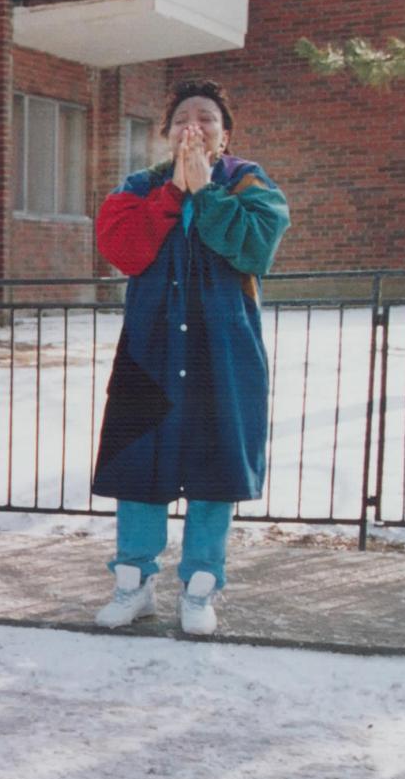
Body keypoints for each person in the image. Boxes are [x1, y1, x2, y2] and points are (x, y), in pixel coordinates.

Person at [92, 78, 290, 636]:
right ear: (166, 134)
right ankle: (133, 583)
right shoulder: (139, 186)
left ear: (224, 135)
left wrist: (207, 195)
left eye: (206, 118)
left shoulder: (251, 185)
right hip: (150, 349)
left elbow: (255, 246)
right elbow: (123, 250)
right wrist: (174, 195)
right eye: (182, 119)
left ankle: (201, 589)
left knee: (215, 468)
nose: (193, 127)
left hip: (221, 351)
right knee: (139, 465)